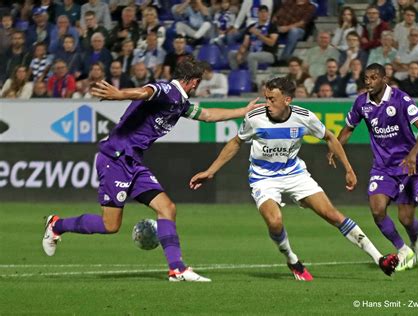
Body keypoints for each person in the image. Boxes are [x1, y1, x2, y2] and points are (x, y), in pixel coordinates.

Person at [42, 59, 263, 282]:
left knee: (167, 208)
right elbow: (145, 92)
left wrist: (243, 111)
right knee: (110, 225)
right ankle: (57, 225)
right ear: (194, 81)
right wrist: (120, 94)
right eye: (198, 81)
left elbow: (208, 115)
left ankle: (177, 269)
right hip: (115, 159)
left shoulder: (180, 104)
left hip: (133, 163)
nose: (197, 85)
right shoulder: (167, 91)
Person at [189, 77, 399, 281]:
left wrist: (349, 169)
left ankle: (379, 258)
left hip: (294, 174)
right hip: (263, 178)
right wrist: (210, 171)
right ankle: (292, 260)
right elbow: (236, 143)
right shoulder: (255, 118)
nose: (267, 103)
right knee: (275, 221)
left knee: (333, 215)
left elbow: (330, 137)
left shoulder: (304, 116)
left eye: (272, 99)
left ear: (287, 100)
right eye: (266, 98)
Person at [328, 63, 418, 272]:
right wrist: (335, 148)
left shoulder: (400, 99)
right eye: (366, 78)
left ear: (384, 79)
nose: (369, 82)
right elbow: (348, 129)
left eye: (374, 78)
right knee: (377, 210)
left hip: (407, 166)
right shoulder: (361, 103)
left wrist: (412, 155)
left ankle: (414, 240)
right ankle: (403, 250)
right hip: (382, 167)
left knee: (405, 218)